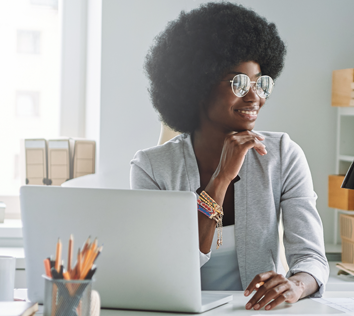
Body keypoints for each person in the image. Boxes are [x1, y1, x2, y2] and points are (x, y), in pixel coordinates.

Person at [130, 2, 328, 311]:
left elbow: (312, 259)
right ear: (197, 86)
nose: (254, 97)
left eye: (261, 83)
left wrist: (295, 285)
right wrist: (221, 178)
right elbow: (167, 265)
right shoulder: (151, 168)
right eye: (239, 83)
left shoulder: (282, 155)